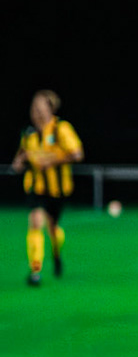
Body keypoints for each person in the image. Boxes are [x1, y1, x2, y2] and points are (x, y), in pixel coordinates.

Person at [10, 90, 83, 287]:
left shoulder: (61, 129)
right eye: (33, 108)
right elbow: (22, 155)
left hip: (57, 190)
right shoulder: (29, 134)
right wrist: (18, 162)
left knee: (53, 229)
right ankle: (35, 270)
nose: (36, 112)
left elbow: (77, 154)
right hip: (36, 187)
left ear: (51, 108)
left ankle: (56, 254)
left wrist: (53, 160)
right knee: (35, 222)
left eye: (40, 107)